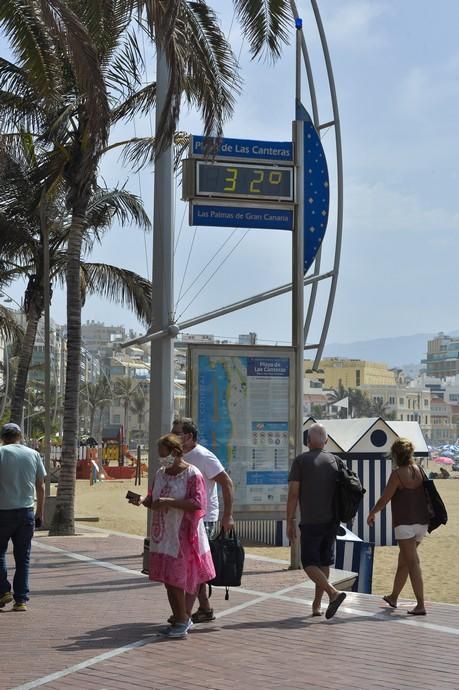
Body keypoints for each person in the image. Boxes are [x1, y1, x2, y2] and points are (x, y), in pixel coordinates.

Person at [136, 433, 215, 639]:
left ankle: (182, 619)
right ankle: (180, 617)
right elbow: (154, 497)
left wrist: (170, 502)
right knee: (168, 579)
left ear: (175, 452)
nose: (162, 459)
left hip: (184, 536)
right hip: (163, 536)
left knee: (178, 578)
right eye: (160, 455)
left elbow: (198, 503)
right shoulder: (161, 473)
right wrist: (145, 500)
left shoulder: (192, 474)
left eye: (164, 454)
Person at [171, 417, 234, 624]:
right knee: (190, 563)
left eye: (177, 432)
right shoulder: (177, 456)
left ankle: (185, 614)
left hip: (204, 518)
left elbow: (227, 483)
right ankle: (204, 608)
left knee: (192, 565)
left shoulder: (204, 457)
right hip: (184, 516)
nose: (172, 436)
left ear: (188, 436)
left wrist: (228, 515)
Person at [287, 422, 347, 619]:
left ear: (308, 441)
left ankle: (333, 593)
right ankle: (317, 604)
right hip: (332, 521)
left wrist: (290, 520)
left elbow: (294, 494)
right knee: (323, 562)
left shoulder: (301, 461)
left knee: (309, 563)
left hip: (311, 521)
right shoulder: (336, 461)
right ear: (326, 441)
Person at [367, 438, 429, 616]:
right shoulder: (419, 470)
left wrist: (372, 513)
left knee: (413, 562)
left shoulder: (397, 474)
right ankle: (393, 597)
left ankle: (420, 605)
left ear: (395, 455)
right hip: (422, 523)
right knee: (404, 560)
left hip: (405, 524)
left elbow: (384, 499)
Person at [0, 422, 46, 611]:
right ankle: (21, 600)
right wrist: (40, 513)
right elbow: (41, 486)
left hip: (2, 512)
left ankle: (3, 591)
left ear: (3, 437)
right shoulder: (33, 454)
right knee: (23, 557)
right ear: (20, 436)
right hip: (26, 512)